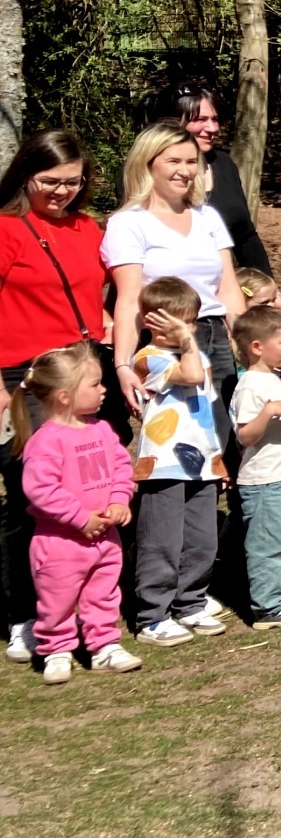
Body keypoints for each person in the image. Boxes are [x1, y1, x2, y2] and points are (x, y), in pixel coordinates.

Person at [0, 131, 113, 667]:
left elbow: (100, 288)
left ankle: (94, 609)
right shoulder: (6, 229)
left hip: (86, 370)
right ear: (27, 175)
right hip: (27, 379)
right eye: (52, 182)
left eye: (74, 182)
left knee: (91, 490)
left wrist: (106, 321)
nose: (63, 192)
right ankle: (28, 612)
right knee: (34, 501)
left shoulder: (89, 228)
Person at [105, 123, 246, 435]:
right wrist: (124, 365)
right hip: (163, 342)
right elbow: (129, 301)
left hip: (214, 337)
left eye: (191, 161)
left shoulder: (207, 217)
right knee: (174, 442)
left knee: (222, 439)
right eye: (174, 161)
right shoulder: (127, 224)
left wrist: (251, 347)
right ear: (148, 163)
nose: (185, 171)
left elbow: (229, 290)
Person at [14, 344, 141, 684]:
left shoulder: (100, 429)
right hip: (59, 543)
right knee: (57, 599)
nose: (104, 390)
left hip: (104, 537)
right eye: (96, 384)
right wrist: (79, 518)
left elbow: (119, 467)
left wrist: (118, 500)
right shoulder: (44, 442)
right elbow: (41, 491)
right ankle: (55, 649)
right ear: (64, 396)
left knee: (104, 593)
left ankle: (104, 646)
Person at [126, 278, 227, 647]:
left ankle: (191, 602)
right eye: (180, 323)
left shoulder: (193, 352)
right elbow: (192, 376)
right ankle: (153, 615)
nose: (190, 330)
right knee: (162, 541)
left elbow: (205, 401)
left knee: (202, 540)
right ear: (152, 323)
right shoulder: (148, 357)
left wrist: (217, 458)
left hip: (201, 462)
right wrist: (187, 341)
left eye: (193, 323)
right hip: (165, 463)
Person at [229, 306, 281, 628]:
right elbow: (245, 435)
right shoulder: (250, 385)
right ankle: (267, 607)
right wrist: (267, 413)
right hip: (264, 481)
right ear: (257, 347)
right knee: (268, 544)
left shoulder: (276, 380)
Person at [158, 82, 271, 273]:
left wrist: (268, 288)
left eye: (215, 119)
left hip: (221, 287)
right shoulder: (145, 169)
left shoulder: (224, 164)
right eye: (201, 119)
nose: (212, 128)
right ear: (173, 122)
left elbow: (245, 236)